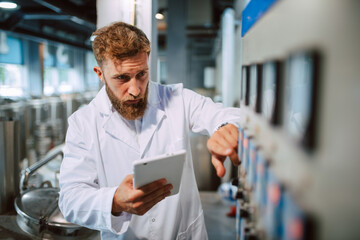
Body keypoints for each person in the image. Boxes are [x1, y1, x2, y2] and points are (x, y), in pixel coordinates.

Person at [59, 21, 243, 239]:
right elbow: (70, 199)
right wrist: (115, 201)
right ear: (100, 73)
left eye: (142, 74)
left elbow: (226, 115)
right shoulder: (84, 123)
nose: (135, 90)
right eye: (122, 78)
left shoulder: (177, 98)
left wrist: (226, 128)